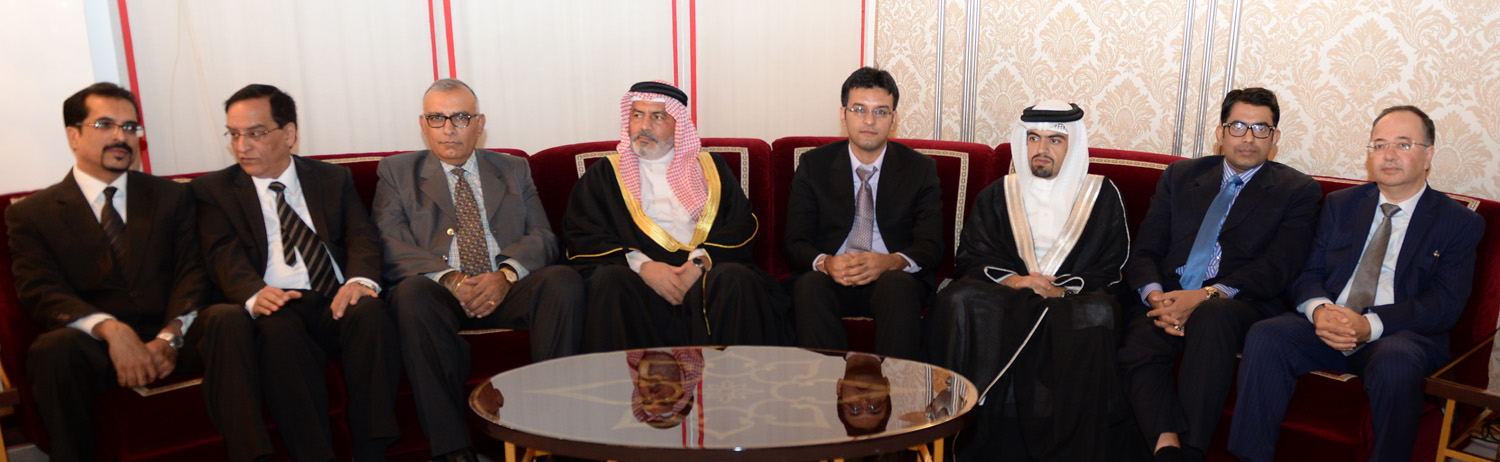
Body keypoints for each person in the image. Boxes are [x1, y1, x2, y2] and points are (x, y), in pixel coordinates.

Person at [9, 82, 260, 462]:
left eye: (129, 127)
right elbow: (40, 290)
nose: (120, 136)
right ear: (73, 136)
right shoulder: (32, 214)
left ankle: (250, 454)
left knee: (228, 318)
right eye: (105, 125)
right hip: (97, 346)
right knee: (52, 351)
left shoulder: (172, 196)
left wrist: (169, 336)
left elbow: (193, 269)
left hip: (172, 333)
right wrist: (112, 330)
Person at [1228, 106, 1484, 461]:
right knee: (1267, 335)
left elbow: (1444, 303)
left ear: (1428, 156)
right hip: (1329, 322)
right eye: (1379, 145)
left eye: (1403, 144)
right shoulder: (1341, 204)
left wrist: (1370, 325)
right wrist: (1319, 310)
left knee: (1397, 362)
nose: (1389, 155)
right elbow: (1306, 273)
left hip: (1397, 335)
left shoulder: (1458, 221)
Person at [372, 78, 586, 462]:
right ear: (423, 124)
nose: (448, 129)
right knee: (410, 295)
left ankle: (554, 438)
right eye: (437, 118)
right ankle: (454, 450)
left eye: (460, 117)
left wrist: (504, 276)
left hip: (503, 285)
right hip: (439, 291)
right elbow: (389, 243)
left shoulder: (513, 168)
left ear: (479, 123)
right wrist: (451, 280)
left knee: (562, 281)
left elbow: (543, 236)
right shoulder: (396, 171)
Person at [191, 84, 401, 461]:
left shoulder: (330, 178)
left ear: (288, 133)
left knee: (371, 312)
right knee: (277, 333)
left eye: (255, 133)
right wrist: (253, 292)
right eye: (234, 134)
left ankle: (373, 450)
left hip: (335, 295)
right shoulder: (213, 190)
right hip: (277, 299)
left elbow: (361, 235)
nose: (242, 146)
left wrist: (359, 280)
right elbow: (221, 253)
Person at [1116, 87, 1322, 462]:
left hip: (1239, 301)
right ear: (1220, 132)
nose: (1248, 138)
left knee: (1212, 318)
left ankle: (1192, 450)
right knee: (1140, 335)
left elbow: (1278, 267)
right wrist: (1157, 297)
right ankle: (1167, 449)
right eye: (1238, 126)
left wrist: (1204, 296)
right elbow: (1146, 248)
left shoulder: (1297, 191)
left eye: (1261, 128)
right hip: (1171, 293)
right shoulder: (1181, 176)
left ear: (1275, 137)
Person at [925, 101, 1129, 461]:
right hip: (1008, 292)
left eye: (1054, 140)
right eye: (1033, 138)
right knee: (957, 299)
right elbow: (971, 255)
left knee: (1099, 312)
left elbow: (1114, 265)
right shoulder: (998, 193)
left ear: (1073, 146)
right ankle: (960, 433)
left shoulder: (1101, 195)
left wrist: (1062, 289)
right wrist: (1016, 281)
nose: (1041, 149)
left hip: (1071, 297)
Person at [564, 80, 790, 351]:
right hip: (638, 284)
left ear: (678, 125)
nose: (645, 126)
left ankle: (736, 376)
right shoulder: (604, 174)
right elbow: (583, 235)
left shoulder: (712, 168)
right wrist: (643, 267)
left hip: (708, 277)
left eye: (658, 117)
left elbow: (742, 224)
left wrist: (700, 263)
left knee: (736, 278)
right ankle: (623, 378)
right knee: (610, 281)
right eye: (637, 115)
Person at [784, 67, 943, 360]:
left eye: (880, 112)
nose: (869, 121)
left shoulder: (920, 169)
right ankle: (827, 383)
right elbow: (795, 241)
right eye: (859, 109)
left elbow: (931, 244)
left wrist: (890, 262)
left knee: (897, 285)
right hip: (833, 276)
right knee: (809, 285)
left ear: (894, 119)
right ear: (843, 115)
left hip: (891, 279)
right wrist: (827, 263)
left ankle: (896, 383)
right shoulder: (814, 165)